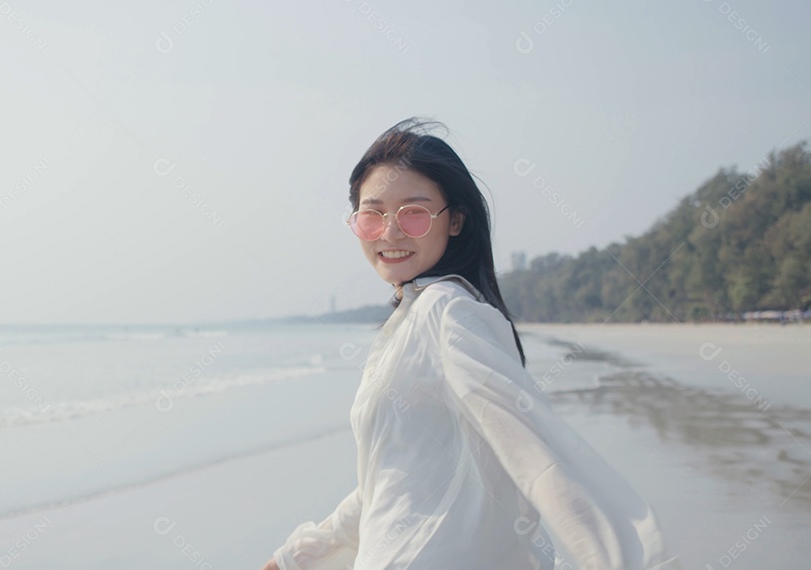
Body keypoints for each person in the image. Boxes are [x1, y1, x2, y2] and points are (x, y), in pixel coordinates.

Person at [261, 118, 680, 569]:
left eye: (414, 212)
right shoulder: (411, 319)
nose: (391, 232)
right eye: (373, 214)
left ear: (456, 220)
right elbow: (388, 481)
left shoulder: (449, 312)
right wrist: (296, 558)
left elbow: (536, 452)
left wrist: (622, 559)